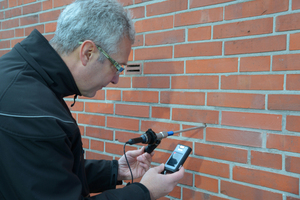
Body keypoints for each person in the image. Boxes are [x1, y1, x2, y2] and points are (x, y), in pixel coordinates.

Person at [0, 0, 185, 199]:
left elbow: (46, 171)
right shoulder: (35, 114)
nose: (116, 79)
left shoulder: (19, 75)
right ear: (87, 53)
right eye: (117, 66)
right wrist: (144, 192)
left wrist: (115, 170)